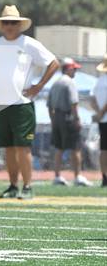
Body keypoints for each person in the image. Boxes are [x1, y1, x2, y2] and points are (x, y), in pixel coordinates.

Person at [0, 5, 59, 199]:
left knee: (23, 147)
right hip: (0, 104)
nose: (10, 26)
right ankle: (13, 186)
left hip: (22, 104)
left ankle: (28, 187)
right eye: (6, 22)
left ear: (20, 25)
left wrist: (38, 86)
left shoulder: (29, 43)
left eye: (13, 22)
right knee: (8, 148)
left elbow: (54, 63)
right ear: (1, 25)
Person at [48, 58, 92, 186]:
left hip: (56, 118)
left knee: (59, 148)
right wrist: (77, 119)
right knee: (75, 147)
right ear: (68, 68)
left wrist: (53, 120)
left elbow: (49, 105)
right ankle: (77, 176)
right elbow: (74, 103)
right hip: (68, 118)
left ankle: (57, 176)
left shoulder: (55, 83)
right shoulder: (70, 83)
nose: (75, 72)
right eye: (74, 69)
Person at [91, 54, 107, 187]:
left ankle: (104, 177)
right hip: (104, 116)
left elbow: (92, 100)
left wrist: (98, 113)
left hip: (102, 120)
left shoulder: (98, 81)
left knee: (103, 149)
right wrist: (102, 111)